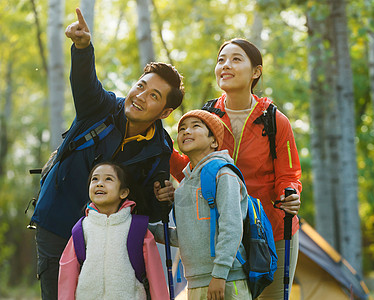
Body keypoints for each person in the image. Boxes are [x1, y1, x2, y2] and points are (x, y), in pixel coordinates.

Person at [30, 8, 184, 300]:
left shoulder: (159, 149)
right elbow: (85, 83)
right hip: (58, 222)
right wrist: (82, 47)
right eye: (141, 86)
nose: (140, 96)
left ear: (165, 112)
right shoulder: (100, 108)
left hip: (109, 241)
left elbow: (148, 209)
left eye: (153, 95)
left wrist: (164, 200)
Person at [169, 38, 302, 299]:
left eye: (236, 59)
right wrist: (163, 150)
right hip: (218, 234)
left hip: (270, 232)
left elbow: (288, 174)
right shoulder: (208, 116)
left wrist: (291, 193)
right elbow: (193, 170)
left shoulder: (275, 120)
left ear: (256, 72)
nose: (225, 65)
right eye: (221, 60)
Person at [151, 110, 252, 300]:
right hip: (195, 281)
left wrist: (220, 274)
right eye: (182, 129)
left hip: (227, 279)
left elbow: (232, 227)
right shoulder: (182, 188)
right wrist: (144, 229)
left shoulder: (223, 174)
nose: (186, 131)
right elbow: (184, 236)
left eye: (195, 126)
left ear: (214, 141)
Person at [58, 162, 169, 299]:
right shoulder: (80, 230)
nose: (99, 183)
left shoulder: (137, 228)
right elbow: (67, 275)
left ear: (123, 192)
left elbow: (155, 275)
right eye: (95, 179)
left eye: (108, 179)